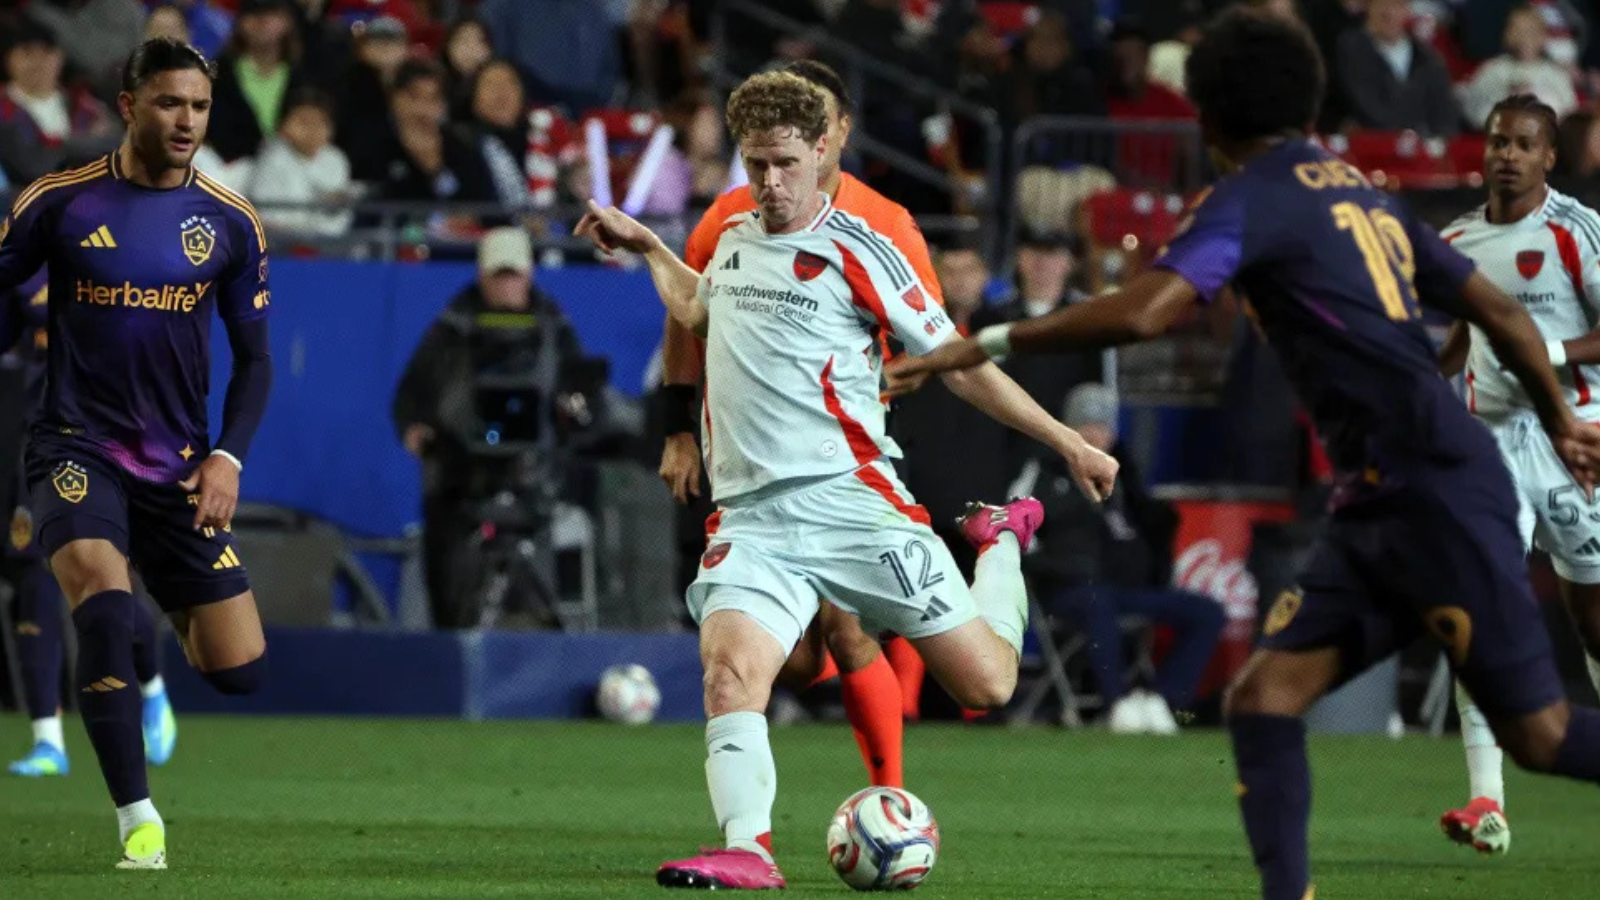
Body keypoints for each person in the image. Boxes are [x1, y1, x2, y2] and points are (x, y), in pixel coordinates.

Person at [886, 11, 1600, 900]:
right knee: (1263, 700)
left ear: (1210, 116)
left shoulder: (1252, 196)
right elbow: (1502, 313)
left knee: (1541, 736)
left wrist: (984, 340)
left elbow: (1147, 311)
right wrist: (1560, 417)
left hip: (1432, 488)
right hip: (1388, 493)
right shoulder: (1362, 194)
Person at [576, 70, 1117, 890]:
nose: (770, 183)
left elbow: (958, 361)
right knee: (730, 675)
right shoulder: (733, 235)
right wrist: (649, 247)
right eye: (756, 165)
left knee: (987, 683)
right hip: (752, 518)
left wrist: (1067, 441)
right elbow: (700, 309)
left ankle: (1001, 539)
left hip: (854, 505)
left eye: (786, 164)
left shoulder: (864, 248)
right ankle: (748, 849)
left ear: (823, 149)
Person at [654, 60, 1036, 790]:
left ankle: (888, 795)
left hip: (846, 451)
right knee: (794, 664)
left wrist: (882, 377)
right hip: (752, 476)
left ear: (834, 134)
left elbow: (933, 343)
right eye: (762, 154)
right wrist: (677, 426)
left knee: (850, 629)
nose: (777, 168)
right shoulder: (730, 219)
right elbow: (693, 313)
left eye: (811, 128)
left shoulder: (883, 225)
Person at [0, 38, 275, 870]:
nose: (186, 120)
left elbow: (256, 361)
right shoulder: (60, 202)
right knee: (100, 600)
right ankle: (138, 819)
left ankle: (148, 597)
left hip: (177, 466)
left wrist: (228, 458)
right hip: (74, 444)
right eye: (168, 103)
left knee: (237, 668)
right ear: (129, 106)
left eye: (199, 106)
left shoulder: (230, 222)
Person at [1434, 93, 1600, 855]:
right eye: (1499, 141)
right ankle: (1486, 802)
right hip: (1491, 441)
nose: (1508, 154)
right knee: (1477, 606)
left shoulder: (1577, 232)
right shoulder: (1457, 239)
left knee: (1591, 620)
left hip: (1575, 438)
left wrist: (1546, 355)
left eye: (1524, 144)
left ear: (1549, 158)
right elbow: (1464, 335)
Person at [3, 271, 178, 778]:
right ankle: (48, 741)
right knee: (32, 580)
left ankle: (151, 687)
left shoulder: (103, 263)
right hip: (35, 442)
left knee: (99, 581)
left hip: (100, 441)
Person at [392, 226, 590, 629]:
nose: (507, 285)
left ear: (529, 274)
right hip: (461, 481)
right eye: (499, 275)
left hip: (534, 479)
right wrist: (417, 429)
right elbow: (410, 395)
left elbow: (582, 389)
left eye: (513, 275)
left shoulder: (554, 327)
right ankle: (454, 639)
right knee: (450, 583)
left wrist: (572, 409)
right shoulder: (452, 328)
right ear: (482, 276)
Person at [1022, 383, 1226, 735]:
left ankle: (1160, 701)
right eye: (1086, 426)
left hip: (1120, 588)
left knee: (1206, 612)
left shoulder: (1124, 477)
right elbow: (1016, 536)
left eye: (1102, 427)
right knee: (1098, 602)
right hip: (1066, 589)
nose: (1095, 435)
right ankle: (1115, 704)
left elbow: (1148, 534)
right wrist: (1056, 568)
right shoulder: (1044, 472)